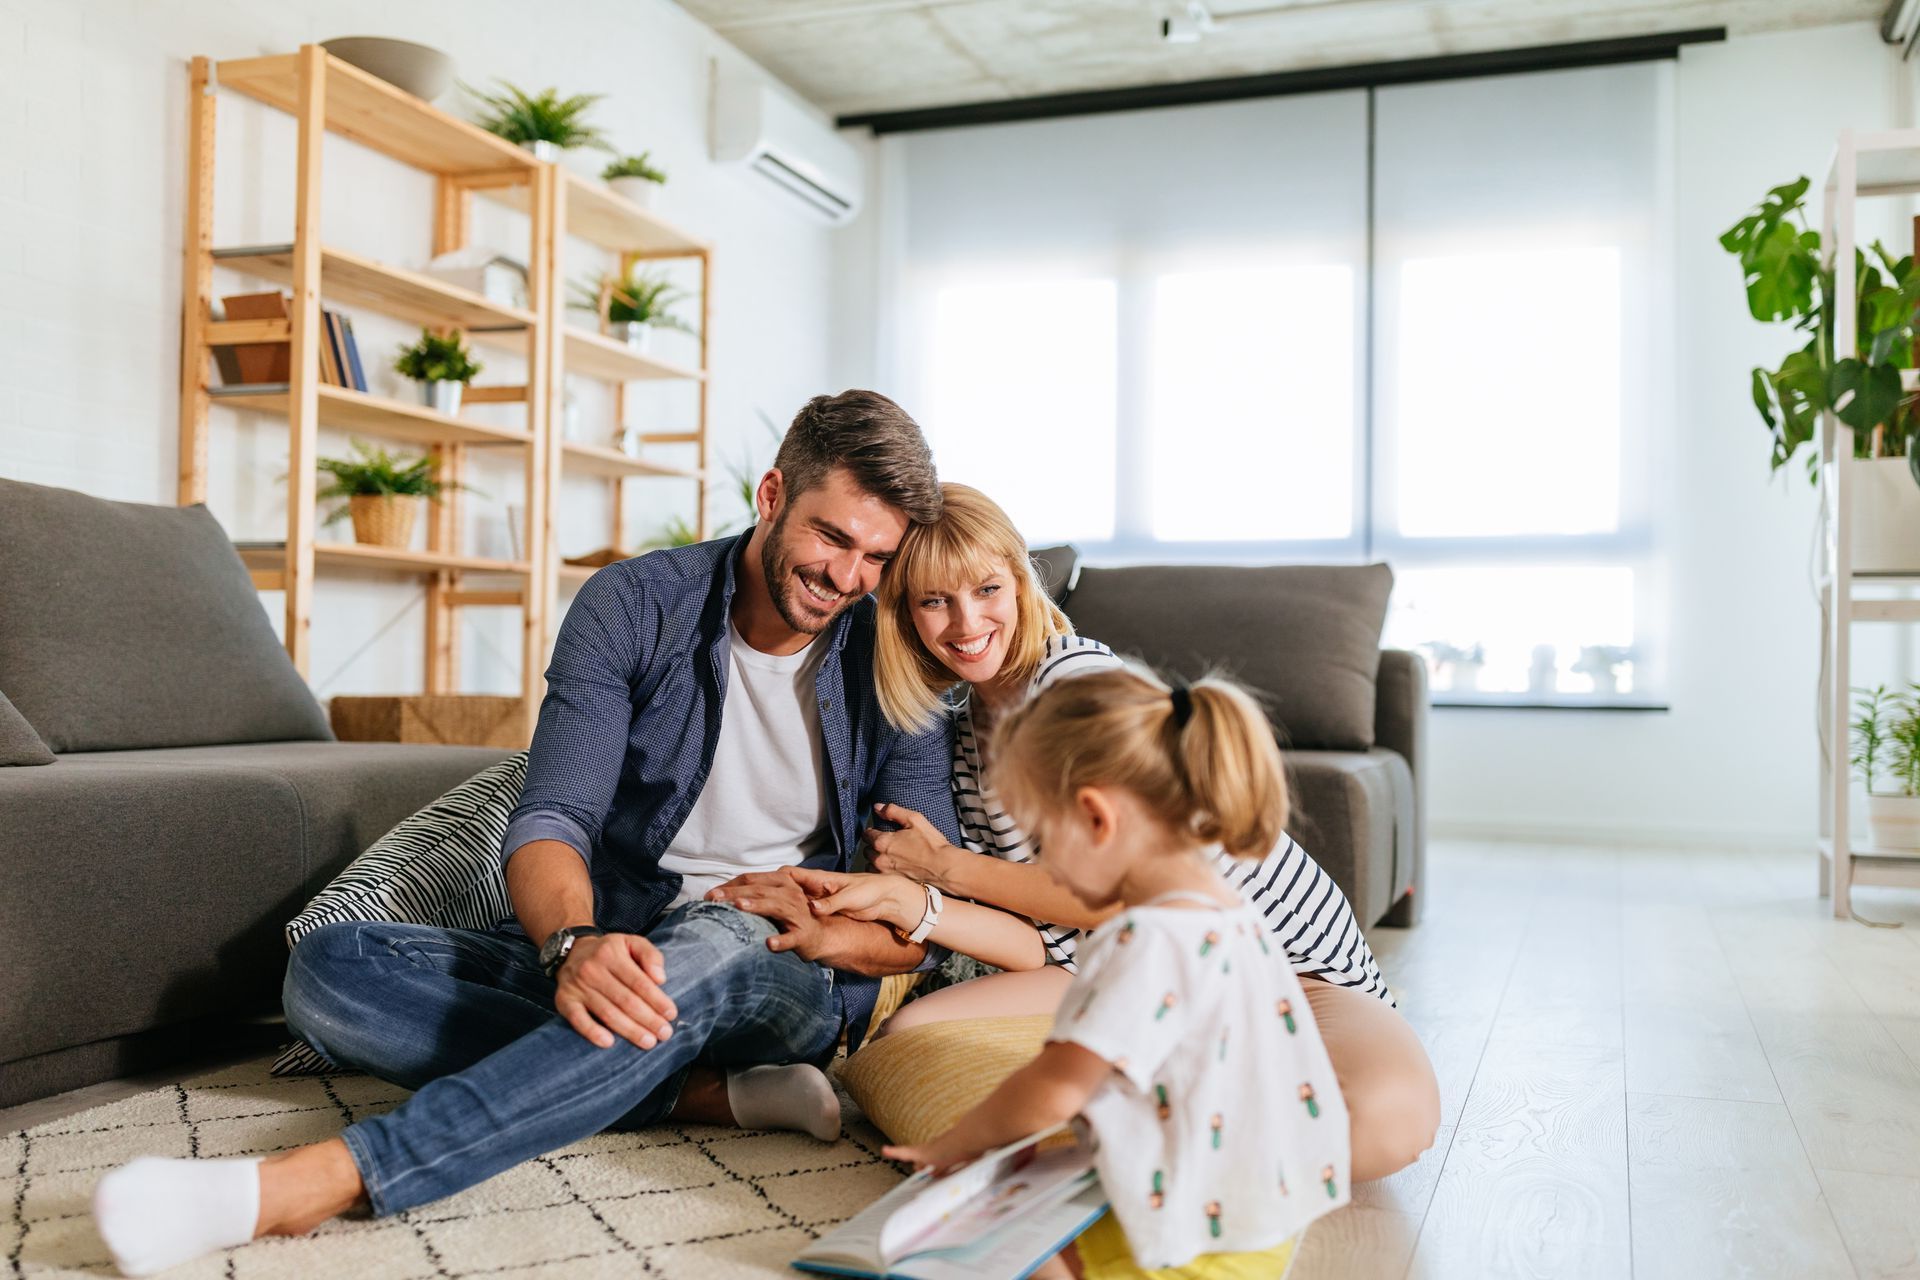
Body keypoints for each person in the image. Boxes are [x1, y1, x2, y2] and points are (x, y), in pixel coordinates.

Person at [89, 390, 968, 1277]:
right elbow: (554, 816)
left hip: (783, 965)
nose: (850, 577)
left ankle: (312, 1182)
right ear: (773, 495)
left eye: (876, 557)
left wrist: (824, 931)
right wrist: (574, 943)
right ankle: (693, 1094)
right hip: (626, 935)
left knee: (707, 939)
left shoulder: (894, 648)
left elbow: (921, 925)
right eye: (832, 537)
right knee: (329, 971)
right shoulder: (635, 604)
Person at [782, 483, 1438, 1183]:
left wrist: (944, 869)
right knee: (904, 1045)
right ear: (907, 617)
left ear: (1022, 582)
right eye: (935, 601)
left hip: (1287, 972)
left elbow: (1107, 897)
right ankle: (1121, 1146)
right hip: (1123, 967)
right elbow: (1046, 940)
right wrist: (914, 905)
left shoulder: (1076, 682)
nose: (966, 621)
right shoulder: (961, 734)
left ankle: (1154, 1147)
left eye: (986, 588)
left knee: (1375, 1119)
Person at [883, 666, 1352, 1279]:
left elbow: (1052, 1088)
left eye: (1042, 840)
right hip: (1260, 1230)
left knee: (973, 1244)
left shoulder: (1141, 940)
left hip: (1178, 1241)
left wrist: (957, 1143)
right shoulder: (1231, 913)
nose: (1041, 866)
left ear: (1097, 819)